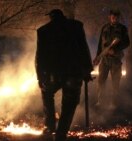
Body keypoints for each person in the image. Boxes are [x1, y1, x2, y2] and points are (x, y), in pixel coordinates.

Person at [35, 9, 93, 141]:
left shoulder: (43, 31)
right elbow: (83, 49)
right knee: (70, 103)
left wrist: (40, 77)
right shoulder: (76, 26)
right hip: (73, 73)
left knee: (47, 94)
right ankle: (61, 132)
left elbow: (40, 57)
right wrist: (87, 71)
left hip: (52, 74)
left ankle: (50, 125)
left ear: (51, 18)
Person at [93, 9, 130, 107]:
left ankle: (114, 103)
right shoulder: (104, 28)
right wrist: (98, 57)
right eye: (113, 16)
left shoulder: (122, 28)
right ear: (110, 17)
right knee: (101, 81)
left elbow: (127, 42)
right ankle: (100, 102)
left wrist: (116, 50)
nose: (115, 18)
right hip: (104, 60)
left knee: (115, 84)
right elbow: (100, 45)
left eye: (117, 17)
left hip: (116, 60)